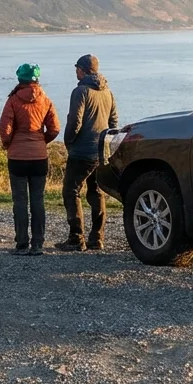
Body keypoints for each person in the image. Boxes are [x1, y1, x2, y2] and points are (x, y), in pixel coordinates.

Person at [0, 62, 59, 256]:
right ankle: (38, 244)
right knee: (38, 200)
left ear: (20, 79)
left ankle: (22, 244)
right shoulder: (46, 100)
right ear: (37, 79)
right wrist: (42, 140)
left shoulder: (13, 100)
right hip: (39, 156)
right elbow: (55, 129)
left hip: (17, 157)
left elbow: (4, 129)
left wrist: (8, 144)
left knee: (20, 201)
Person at [58, 54, 118, 251]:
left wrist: (68, 141)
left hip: (82, 151)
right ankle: (97, 238)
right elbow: (114, 123)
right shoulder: (108, 92)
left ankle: (76, 238)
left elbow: (75, 121)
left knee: (70, 190)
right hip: (101, 152)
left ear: (83, 70)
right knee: (96, 191)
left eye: (77, 68)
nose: (75, 71)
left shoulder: (81, 91)